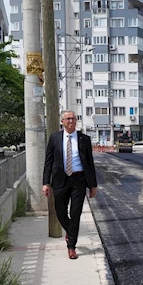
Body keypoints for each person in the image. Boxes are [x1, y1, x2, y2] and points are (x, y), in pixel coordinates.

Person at [42, 111, 98, 260]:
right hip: (60, 180)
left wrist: (93, 185)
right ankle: (70, 231)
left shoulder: (84, 139)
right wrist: (46, 183)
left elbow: (90, 164)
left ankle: (71, 247)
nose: (71, 121)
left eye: (74, 118)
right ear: (62, 121)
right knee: (60, 211)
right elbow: (48, 162)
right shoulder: (54, 138)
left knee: (75, 213)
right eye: (68, 119)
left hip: (78, 180)